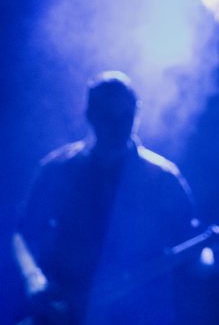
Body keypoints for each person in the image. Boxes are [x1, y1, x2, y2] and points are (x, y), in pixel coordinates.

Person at [12, 71, 198, 325]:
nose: (118, 127)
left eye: (126, 117)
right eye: (109, 117)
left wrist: (217, 259)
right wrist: (33, 278)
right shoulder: (59, 169)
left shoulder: (163, 178)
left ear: (137, 114)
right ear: (91, 115)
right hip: (67, 312)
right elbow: (24, 232)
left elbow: (194, 250)